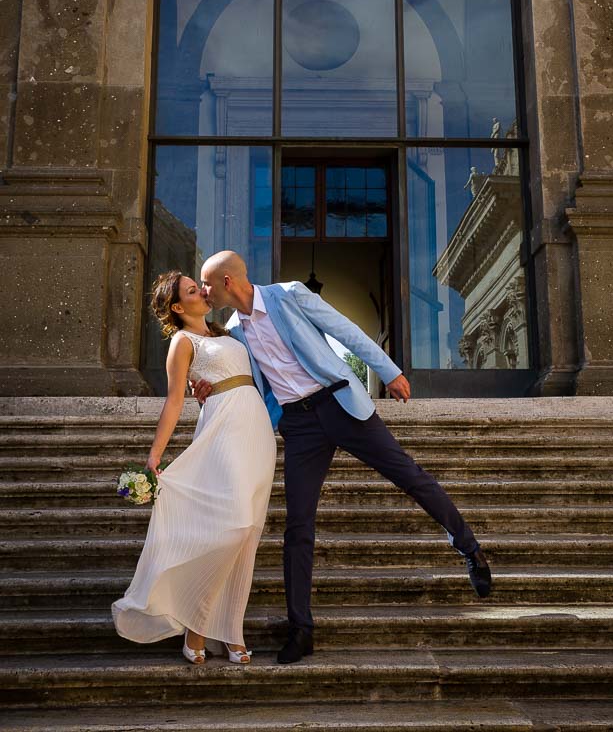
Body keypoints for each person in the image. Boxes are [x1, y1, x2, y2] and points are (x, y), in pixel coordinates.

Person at [194, 251, 493, 666]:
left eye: (206, 284)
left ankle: (470, 548)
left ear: (228, 281)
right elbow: (236, 379)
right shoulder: (233, 333)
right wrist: (205, 389)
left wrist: (388, 370)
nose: (203, 292)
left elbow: (345, 330)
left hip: (340, 404)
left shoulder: (289, 295)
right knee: (298, 526)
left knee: (410, 476)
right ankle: (301, 630)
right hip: (298, 427)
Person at [111, 271, 276, 666]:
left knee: (249, 533)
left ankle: (232, 630)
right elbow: (173, 402)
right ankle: (198, 626)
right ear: (178, 307)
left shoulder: (230, 334)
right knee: (234, 526)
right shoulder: (182, 342)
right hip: (223, 429)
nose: (202, 292)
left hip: (257, 431)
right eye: (191, 290)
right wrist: (155, 455)